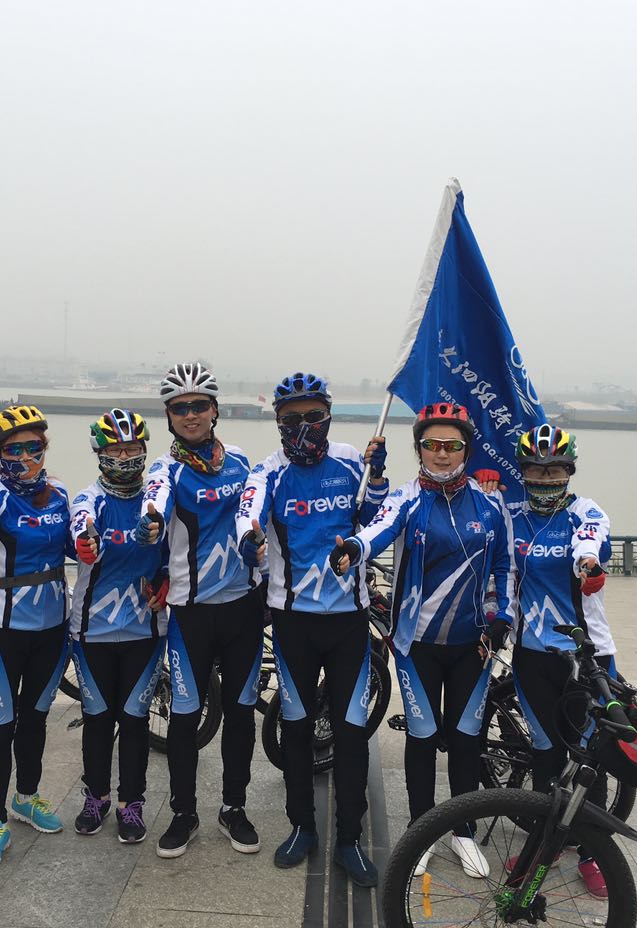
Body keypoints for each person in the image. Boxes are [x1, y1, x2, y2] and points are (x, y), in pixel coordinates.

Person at [330, 402, 509, 881]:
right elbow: (377, 529)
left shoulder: (491, 503)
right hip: (416, 645)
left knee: (467, 740)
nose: (442, 453)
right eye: (432, 444)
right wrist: (353, 548)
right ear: (419, 449)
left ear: (466, 450)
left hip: (474, 646)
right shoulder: (407, 498)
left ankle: (464, 831)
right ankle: (421, 830)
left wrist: (503, 616)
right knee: (423, 738)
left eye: (452, 445)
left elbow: (504, 566)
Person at [235, 371, 389, 887]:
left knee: (351, 733)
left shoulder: (350, 461)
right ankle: (302, 826)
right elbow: (248, 512)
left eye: (314, 416)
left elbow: (375, 519)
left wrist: (378, 477)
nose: (304, 425)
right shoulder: (268, 471)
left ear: (329, 416)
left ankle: (349, 839)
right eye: (292, 418)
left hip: (348, 622)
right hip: (293, 621)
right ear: (278, 422)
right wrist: (248, 539)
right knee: (296, 729)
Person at [135, 362, 263, 859]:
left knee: (241, 714)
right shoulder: (165, 470)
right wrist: (150, 523)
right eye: (179, 407)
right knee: (185, 717)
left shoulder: (242, 462)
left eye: (199, 405)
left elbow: (260, 512)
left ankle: (234, 807)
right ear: (169, 416)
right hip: (190, 613)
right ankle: (183, 813)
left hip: (243, 609)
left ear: (214, 410)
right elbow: (155, 502)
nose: (190, 414)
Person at [495, 423, 616, 898]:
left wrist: (588, 565)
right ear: (522, 472)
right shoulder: (512, 516)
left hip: (587, 657)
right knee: (545, 754)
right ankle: (545, 845)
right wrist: (483, 482)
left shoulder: (587, 511)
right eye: (535, 469)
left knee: (588, 758)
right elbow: (496, 557)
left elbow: (591, 542)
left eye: (554, 470)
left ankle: (592, 853)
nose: (544, 478)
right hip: (532, 655)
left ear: (570, 471)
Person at [0, 405, 73, 870]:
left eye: (34, 446)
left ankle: (26, 798)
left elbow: (76, 546)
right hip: (1, 630)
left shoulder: (60, 494)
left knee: (34, 720)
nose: (25, 456)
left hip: (53, 627)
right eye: (14, 449)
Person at [69, 409, 169, 845]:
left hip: (145, 633)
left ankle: (133, 803)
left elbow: (175, 555)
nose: (125, 457)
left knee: (133, 720)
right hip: (91, 632)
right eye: (116, 450)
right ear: (100, 454)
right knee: (96, 719)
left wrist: (166, 580)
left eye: (132, 448)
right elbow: (81, 525)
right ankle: (96, 797)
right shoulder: (89, 499)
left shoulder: (157, 501)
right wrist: (85, 542)